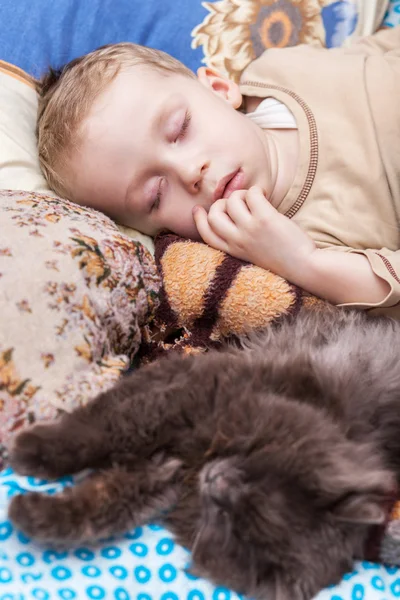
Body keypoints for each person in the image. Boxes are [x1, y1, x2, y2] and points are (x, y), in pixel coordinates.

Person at [36, 28, 400, 317]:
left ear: (220, 88)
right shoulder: (286, 248)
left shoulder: (278, 72)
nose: (190, 171)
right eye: (156, 195)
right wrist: (305, 262)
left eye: (179, 129)